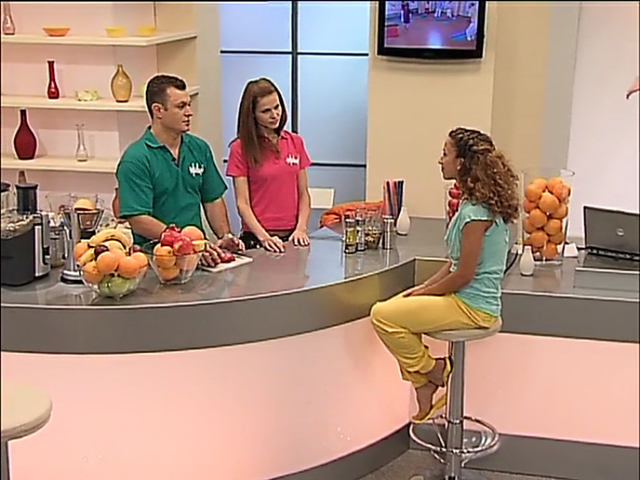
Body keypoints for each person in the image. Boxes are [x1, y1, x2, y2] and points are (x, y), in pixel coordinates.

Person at [369, 127, 519, 423]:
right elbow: (454, 263)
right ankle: (423, 382)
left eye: (445, 154)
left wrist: (424, 293)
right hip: (462, 298)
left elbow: (463, 275)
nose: (440, 160)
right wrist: (422, 288)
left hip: (474, 308)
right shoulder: (471, 204)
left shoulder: (476, 214)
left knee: (382, 315)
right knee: (395, 307)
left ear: (461, 163)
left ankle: (434, 371)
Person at [115, 74, 243, 265]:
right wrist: (183, 243)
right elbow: (138, 219)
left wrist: (225, 236)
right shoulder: (136, 159)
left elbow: (212, 199)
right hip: (156, 261)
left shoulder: (199, 148)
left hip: (197, 258)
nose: (189, 112)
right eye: (181, 106)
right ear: (158, 111)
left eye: (189, 105)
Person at [226, 78, 312, 253]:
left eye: (277, 107)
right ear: (252, 115)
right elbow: (242, 203)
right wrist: (264, 237)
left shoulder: (295, 142)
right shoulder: (240, 149)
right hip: (257, 238)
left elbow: (303, 193)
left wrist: (301, 229)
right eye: (266, 111)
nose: (274, 115)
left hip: (292, 237)